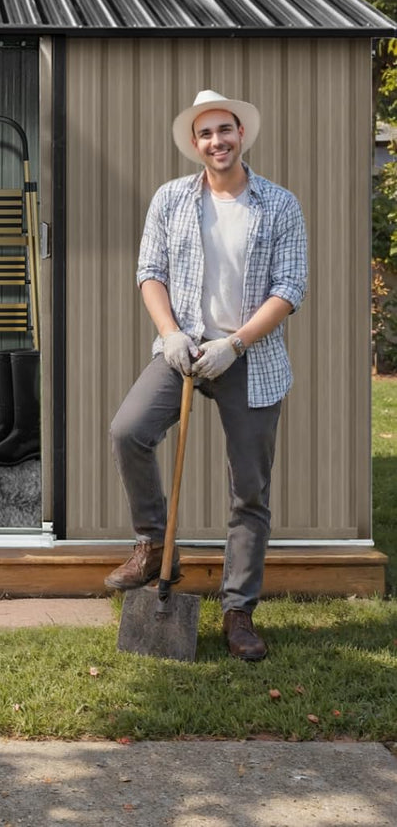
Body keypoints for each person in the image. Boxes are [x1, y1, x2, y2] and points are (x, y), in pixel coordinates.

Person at [104, 89, 308, 661]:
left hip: (250, 358)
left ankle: (238, 610)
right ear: (195, 144)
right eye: (205, 133)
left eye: (225, 130)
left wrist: (236, 343)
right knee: (128, 431)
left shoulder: (279, 204)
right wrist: (170, 333)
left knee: (249, 491)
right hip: (185, 351)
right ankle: (155, 547)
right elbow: (150, 272)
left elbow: (289, 287)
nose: (217, 141)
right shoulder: (171, 199)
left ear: (242, 135)